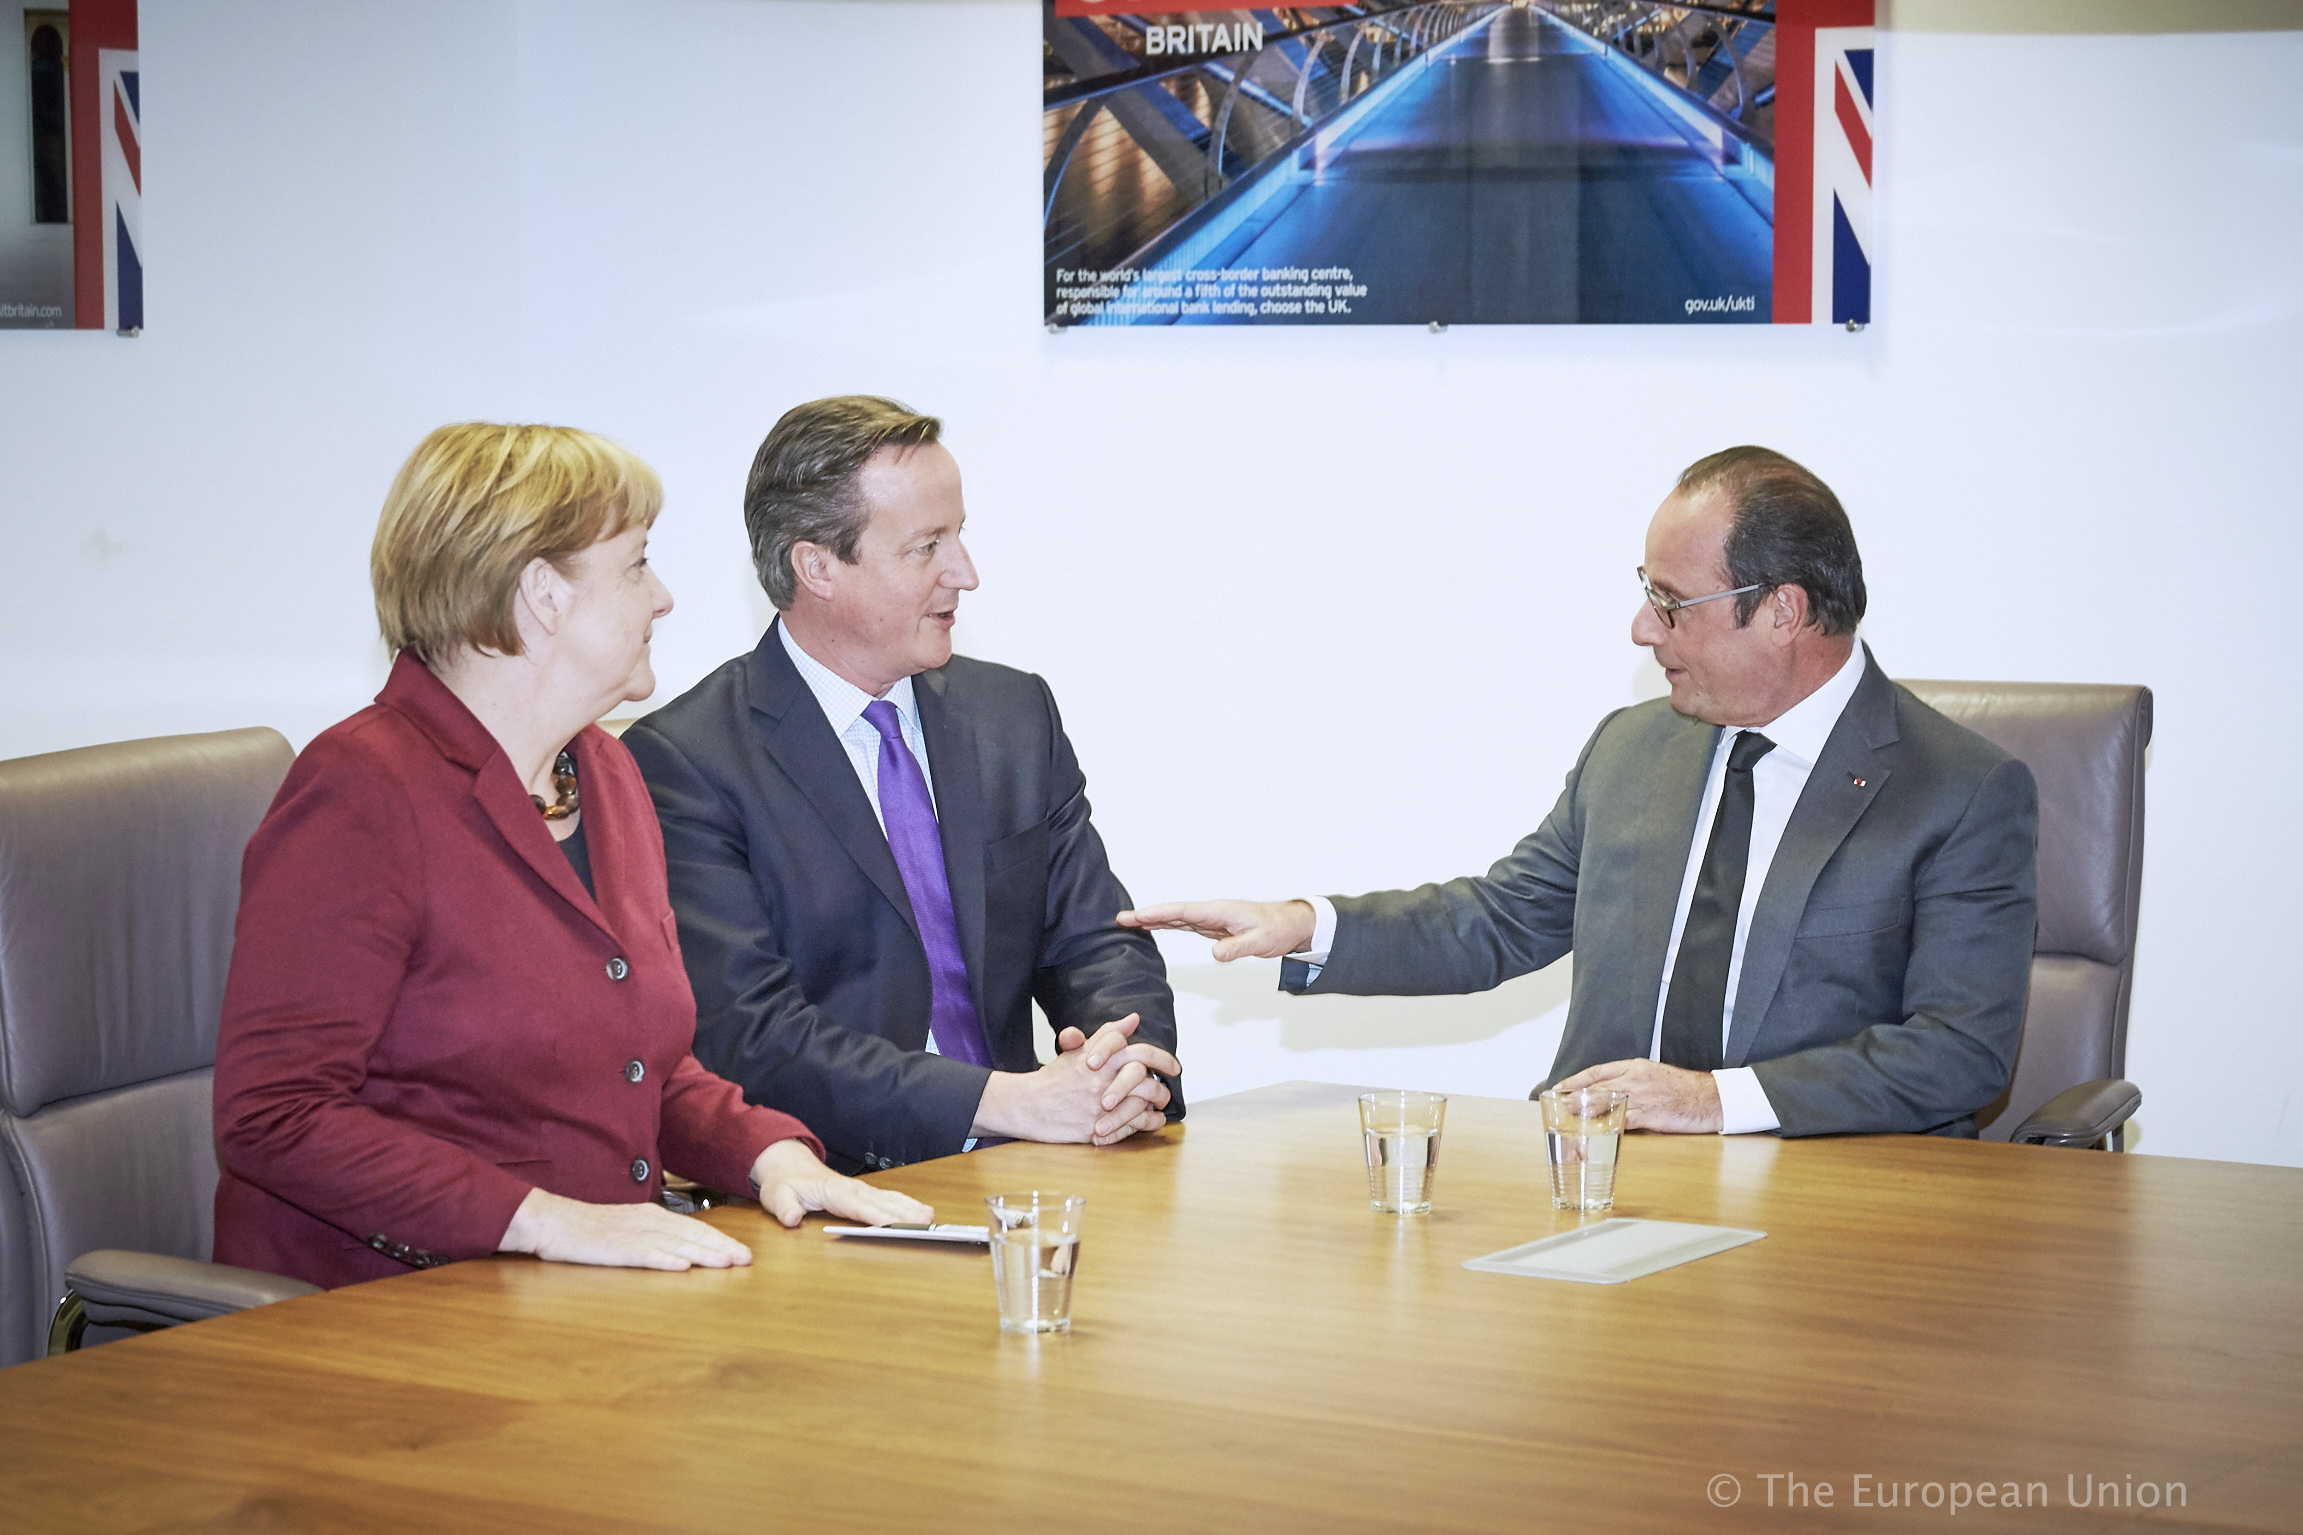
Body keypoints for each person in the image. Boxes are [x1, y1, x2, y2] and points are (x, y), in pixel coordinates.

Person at [1122, 447, 2039, 1138]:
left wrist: (1712, 1101)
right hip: (1593, 1175)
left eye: (1671, 601)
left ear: (1785, 610)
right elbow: (1497, 921)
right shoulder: (1636, 748)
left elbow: (1957, 1051)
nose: (1642, 628)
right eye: (1648, 592)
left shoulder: (1958, 791)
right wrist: (1305, 924)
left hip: (1821, 1204)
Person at [214, 423, 929, 1290]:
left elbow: (646, 1068)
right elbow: (272, 1115)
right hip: (389, 1316)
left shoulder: (606, 770)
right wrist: (544, 1222)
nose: (662, 597)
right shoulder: (359, 791)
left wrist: (770, 1157)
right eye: (635, 565)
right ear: (541, 593)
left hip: (584, 1299)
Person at [622, 396, 1180, 1174]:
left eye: (960, 535)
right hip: (824, 1195)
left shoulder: (1014, 713)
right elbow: (752, 1036)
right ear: (816, 566)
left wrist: (1129, 1068)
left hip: (1031, 1173)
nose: (967, 573)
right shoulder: (685, 760)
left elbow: (1095, 940)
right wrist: (1004, 1101)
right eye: (926, 547)